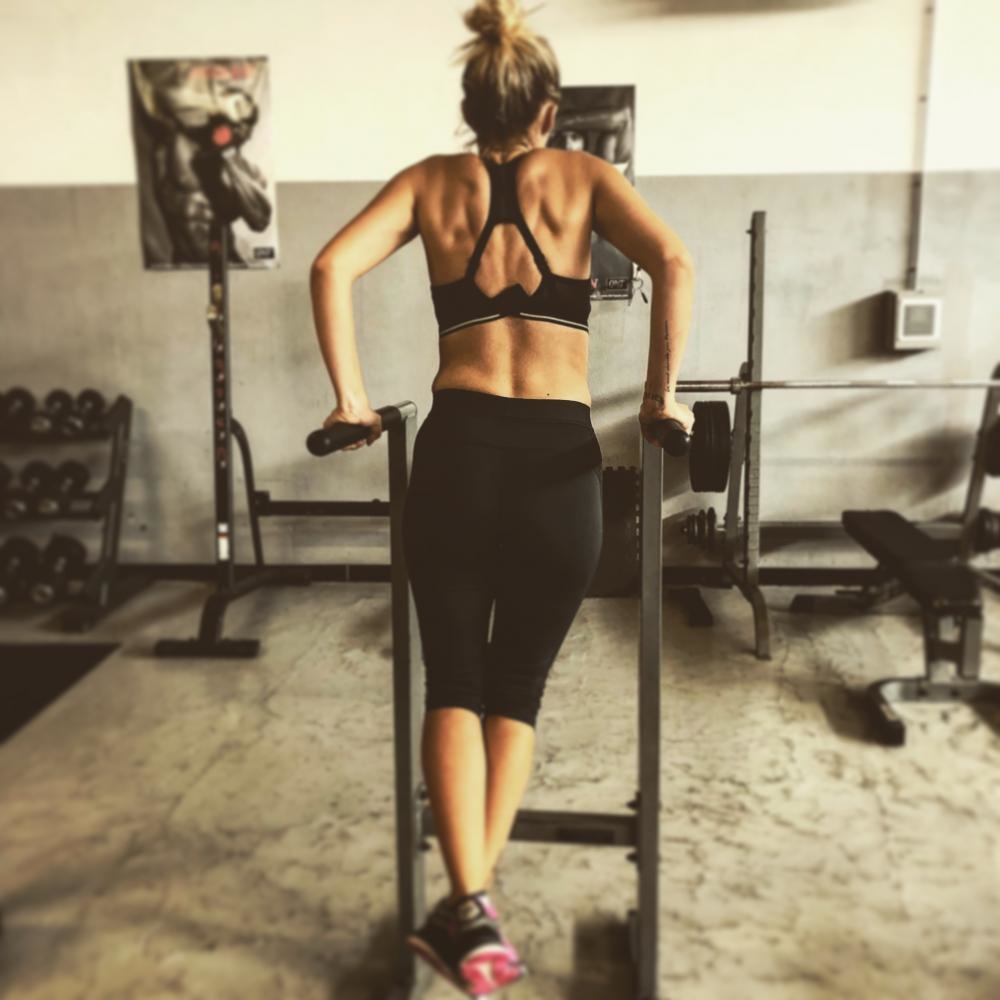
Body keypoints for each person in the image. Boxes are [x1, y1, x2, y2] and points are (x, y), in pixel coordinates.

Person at [309, 0, 695, 993]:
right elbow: (673, 261)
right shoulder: (585, 176)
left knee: (455, 682)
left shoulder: (429, 183)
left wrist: (351, 399)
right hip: (559, 464)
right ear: (548, 111)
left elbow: (331, 265)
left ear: (470, 104)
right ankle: (469, 914)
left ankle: (468, 905)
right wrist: (661, 399)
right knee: (516, 687)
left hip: (458, 456)